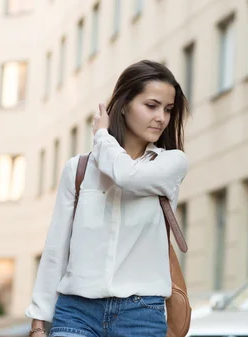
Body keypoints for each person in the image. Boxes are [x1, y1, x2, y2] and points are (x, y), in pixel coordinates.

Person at [25, 60, 190, 337]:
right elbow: (56, 248)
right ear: (124, 105)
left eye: (168, 109)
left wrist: (102, 135)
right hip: (76, 311)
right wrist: (39, 321)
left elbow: (126, 175)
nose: (161, 117)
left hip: (140, 315)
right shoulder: (78, 170)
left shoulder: (171, 164)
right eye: (151, 106)